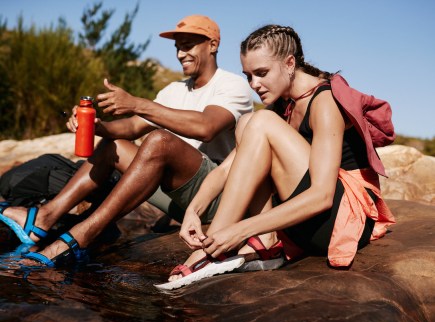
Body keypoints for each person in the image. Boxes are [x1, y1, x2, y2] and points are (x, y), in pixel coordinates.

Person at [0, 15, 280, 268]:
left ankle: (80, 236)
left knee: (159, 141)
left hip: (220, 196)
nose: (181, 53)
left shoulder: (232, 85)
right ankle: (44, 218)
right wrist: (98, 127)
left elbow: (206, 127)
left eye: (188, 45)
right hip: (180, 195)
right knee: (115, 145)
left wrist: (138, 103)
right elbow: (133, 127)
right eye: (178, 47)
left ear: (213, 45)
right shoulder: (174, 89)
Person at [162, 24, 396, 289]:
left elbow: (322, 195)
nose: (254, 85)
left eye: (261, 73)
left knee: (259, 120)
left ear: (289, 63)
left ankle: (210, 252)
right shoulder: (282, 104)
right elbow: (229, 169)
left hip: (336, 223)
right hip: (301, 222)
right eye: (248, 76)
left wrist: (241, 229)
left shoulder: (324, 101)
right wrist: (194, 210)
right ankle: (264, 241)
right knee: (247, 122)